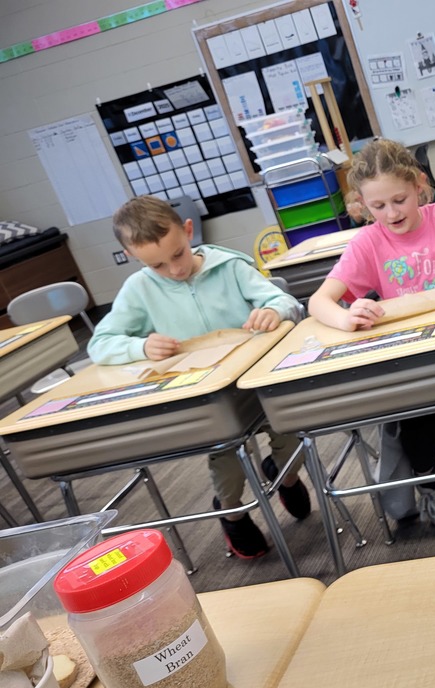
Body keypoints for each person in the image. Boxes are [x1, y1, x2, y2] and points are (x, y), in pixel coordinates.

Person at [88, 196, 310, 560]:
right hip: (208, 399)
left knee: (291, 434)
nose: (174, 269)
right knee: (226, 461)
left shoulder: (230, 266)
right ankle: (232, 511)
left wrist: (272, 310)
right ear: (133, 257)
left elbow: (285, 302)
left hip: (257, 382)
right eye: (157, 265)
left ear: (188, 231)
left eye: (178, 254)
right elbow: (100, 344)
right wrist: (141, 347)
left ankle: (284, 475)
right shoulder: (139, 289)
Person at [308, 139, 435, 526]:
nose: (391, 213)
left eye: (399, 199)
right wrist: (348, 316)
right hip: (412, 359)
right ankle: (430, 485)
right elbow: (319, 302)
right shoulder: (368, 241)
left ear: (418, 185)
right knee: (418, 426)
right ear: (363, 205)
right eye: (378, 206)